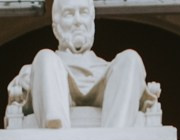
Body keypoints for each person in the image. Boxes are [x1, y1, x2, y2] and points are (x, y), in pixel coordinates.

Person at [9, 0, 153, 130]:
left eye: (83, 13)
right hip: (57, 79)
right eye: (69, 14)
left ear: (92, 22)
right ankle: (57, 134)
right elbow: (22, 97)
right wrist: (26, 80)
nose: (78, 21)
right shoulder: (43, 65)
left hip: (102, 87)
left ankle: (114, 137)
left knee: (131, 57)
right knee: (44, 55)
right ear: (56, 27)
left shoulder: (110, 69)